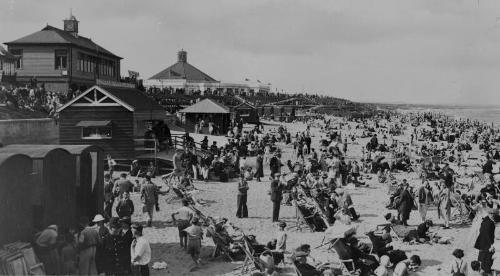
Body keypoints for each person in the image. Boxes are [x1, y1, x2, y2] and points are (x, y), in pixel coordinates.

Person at [474, 208, 496, 274]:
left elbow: (482, 231)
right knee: (487, 257)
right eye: (491, 214)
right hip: (486, 243)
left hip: (481, 242)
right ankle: (486, 270)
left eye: (493, 214)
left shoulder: (485, 220)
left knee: (482, 256)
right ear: (488, 214)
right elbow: (487, 234)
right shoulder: (490, 223)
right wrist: (491, 244)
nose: (492, 215)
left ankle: (482, 269)